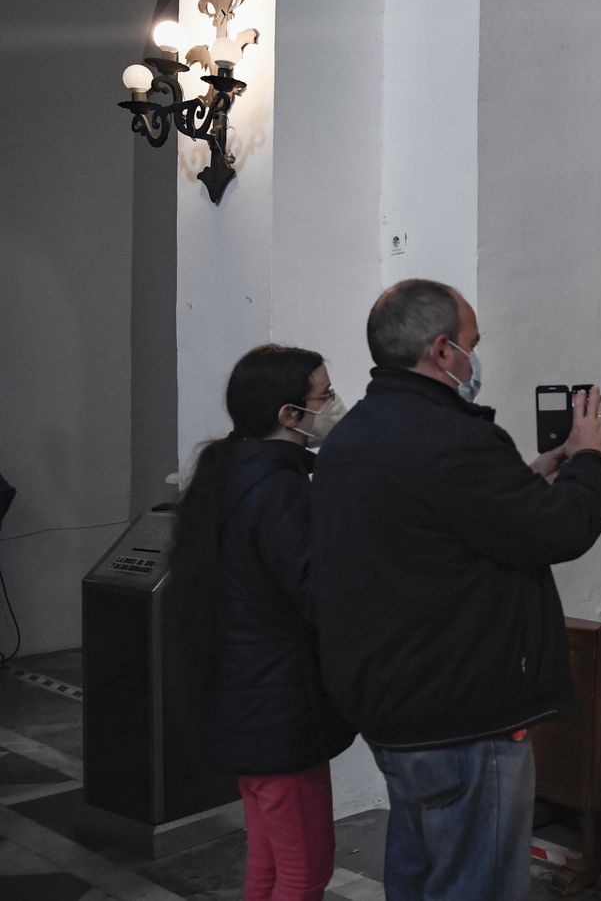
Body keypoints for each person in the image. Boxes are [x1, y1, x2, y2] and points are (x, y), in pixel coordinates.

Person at [311, 278, 601, 901]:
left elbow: (431, 528)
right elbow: (560, 531)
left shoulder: (351, 437)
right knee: (477, 883)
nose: (478, 356)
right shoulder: (453, 437)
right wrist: (589, 459)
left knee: (422, 871)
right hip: (463, 714)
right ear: (443, 351)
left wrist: (528, 476)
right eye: (473, 343)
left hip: (395, 703)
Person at [171, 344, 356, 901]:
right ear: (288, 415)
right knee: (304, 872)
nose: (334, 403)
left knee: (270, 864)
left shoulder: (235, 471)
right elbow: (316, 595)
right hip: (278, 709)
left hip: (245, 702)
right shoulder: (278, 489)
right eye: (324, 394)